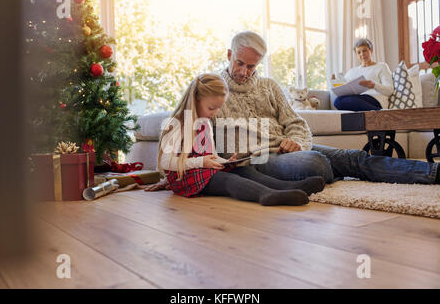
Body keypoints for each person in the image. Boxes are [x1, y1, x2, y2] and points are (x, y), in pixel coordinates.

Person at [146, 31, 439, 192]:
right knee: (316, 164)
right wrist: (177, 170)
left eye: (251, 66)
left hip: (289, 151)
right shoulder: (214, 92)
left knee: (355, 157)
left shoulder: (270, 86)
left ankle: (433, 173)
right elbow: (186, 128)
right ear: (228, 55)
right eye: (239, 63)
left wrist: (297, 142)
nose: (244, 72)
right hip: (259, 161)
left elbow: (295, 122)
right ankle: (323, 173)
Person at [157, 73, 325, 206]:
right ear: (195, 100)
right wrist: (201, 162)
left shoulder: (206, 123)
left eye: (219, 108)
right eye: (211, 107)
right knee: (228, 180)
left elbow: (212, 154)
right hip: (186, 178)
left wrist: (224, 161)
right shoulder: (177, 124)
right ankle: (265, 195)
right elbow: (166, 161)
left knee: (243, 170)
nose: (215, 113)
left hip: (205, 170)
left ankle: (289, 187)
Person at [333, 38, 394, 111]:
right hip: (358, 98)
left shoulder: (382, 66)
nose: (362, 54)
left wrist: (374, 85)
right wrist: (335, 82)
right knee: (338, 100)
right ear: (356, 55)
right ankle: (376, 112)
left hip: (375, 99)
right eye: (359, 52)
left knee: (342, 101)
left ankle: (379, 111)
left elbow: (390, 90)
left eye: (364, 50)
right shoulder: (352, 71)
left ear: (371, 51)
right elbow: (343, 86)